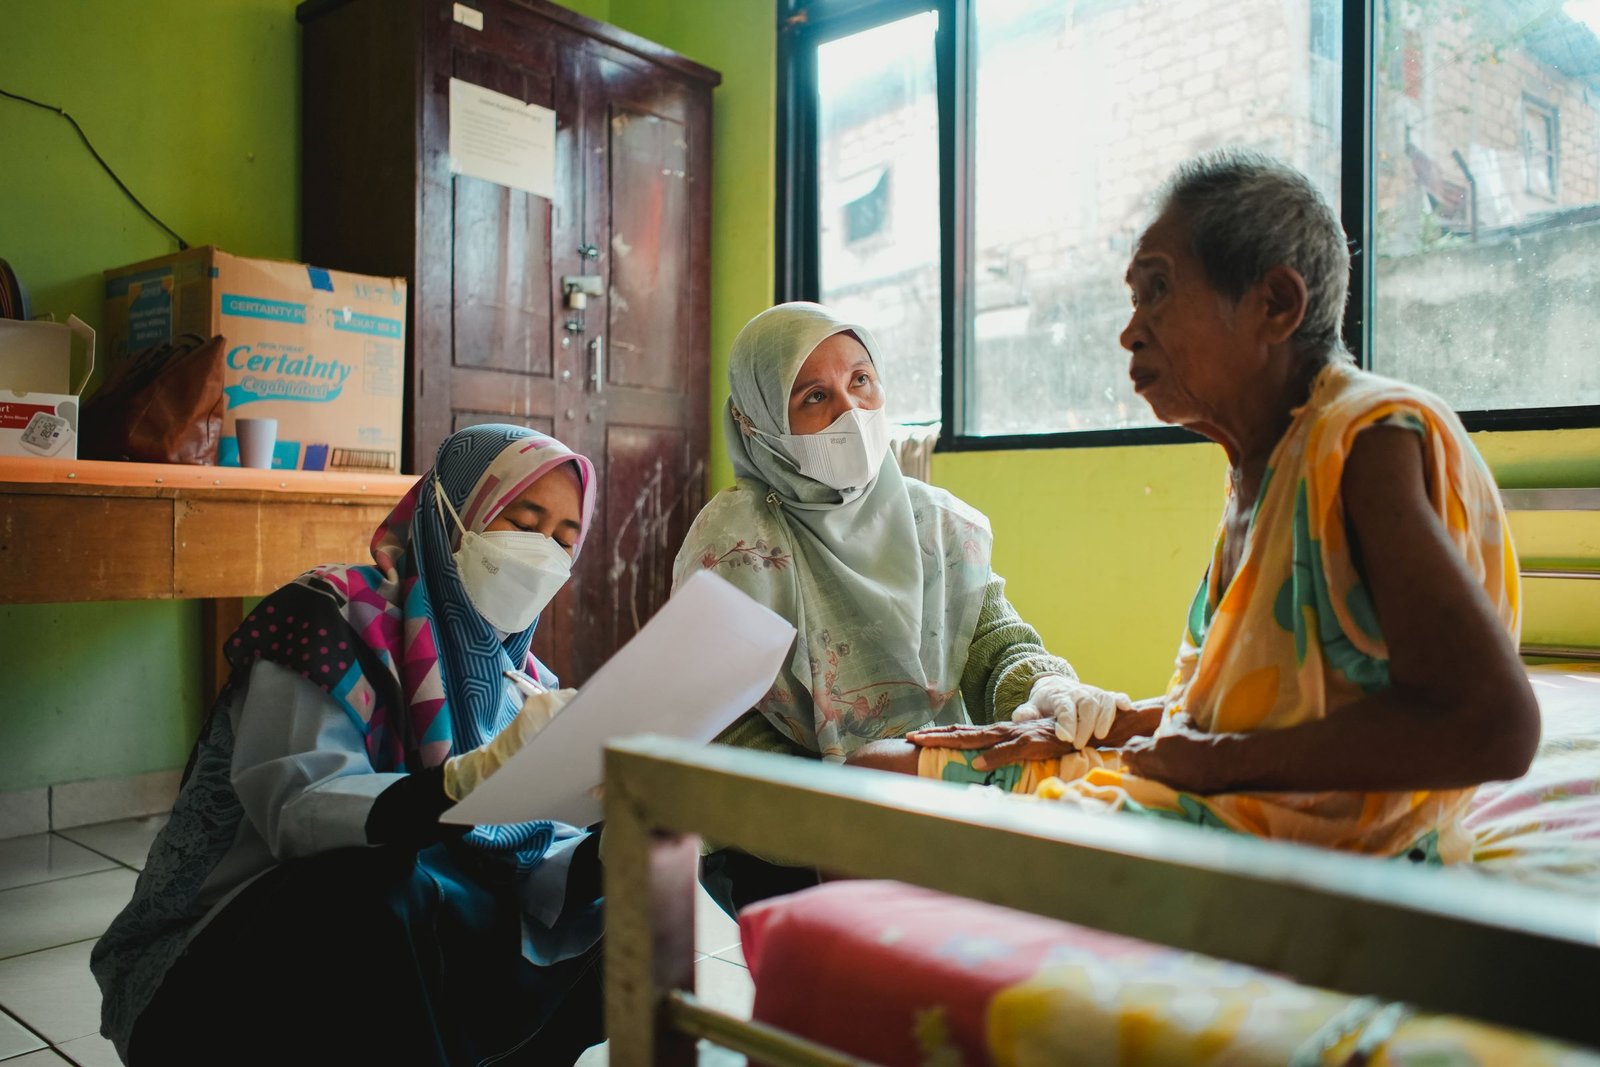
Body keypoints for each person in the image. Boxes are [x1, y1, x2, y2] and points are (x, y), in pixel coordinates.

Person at [887, 150, 1540, 864]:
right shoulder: (1264, 461)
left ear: (1275, 305)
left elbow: (1493, 726)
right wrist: (1111, 724)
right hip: (1223, 800)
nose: (1131, 331)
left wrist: (1218, 761)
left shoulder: (1364, 441)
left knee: (894, 813)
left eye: (1159, 289)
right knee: (877, 771)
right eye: (1134, 298)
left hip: (1306, 847)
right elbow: (1249, 712)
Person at [92, 425, 607, 1065]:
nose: (541, 555)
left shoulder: (524, 687)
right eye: (523, 522)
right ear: (451, 512)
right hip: (217, 970)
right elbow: (300, 811)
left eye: (563, 541)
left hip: (392, 988)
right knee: (375, 883)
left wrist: (619, 837)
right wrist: (462, 783)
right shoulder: (327, 618)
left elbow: (535, 866)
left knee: (624, 904)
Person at [673, 302, 1126, 910]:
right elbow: (719, 723)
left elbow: (994, 644)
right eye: (814, 397)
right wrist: (843, 809)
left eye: (860, 380)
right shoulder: (734, 548)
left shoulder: (935, 523)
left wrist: (1045, 688)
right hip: (786, 837)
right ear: (759, 423)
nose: (850, 411)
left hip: (936, 808)